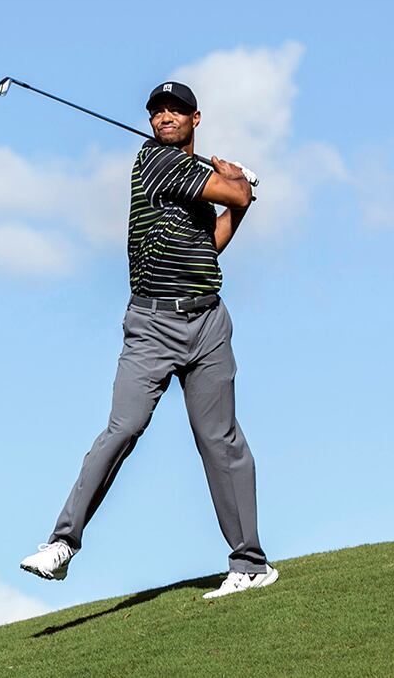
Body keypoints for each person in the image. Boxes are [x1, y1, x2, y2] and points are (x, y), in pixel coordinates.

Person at [19, 81, 277, 599]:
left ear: (195, 118)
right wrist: (236, 180)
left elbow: (211, 246)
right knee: (123, 428)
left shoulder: (191, 179)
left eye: (175, 111)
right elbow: (237, 192)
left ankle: (249, 564)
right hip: (152, 326)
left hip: (207, 322)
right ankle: (62, 543)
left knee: (220, 440)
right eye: (157, 111)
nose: (164, 117)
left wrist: (237, 196)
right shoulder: (156, 163)